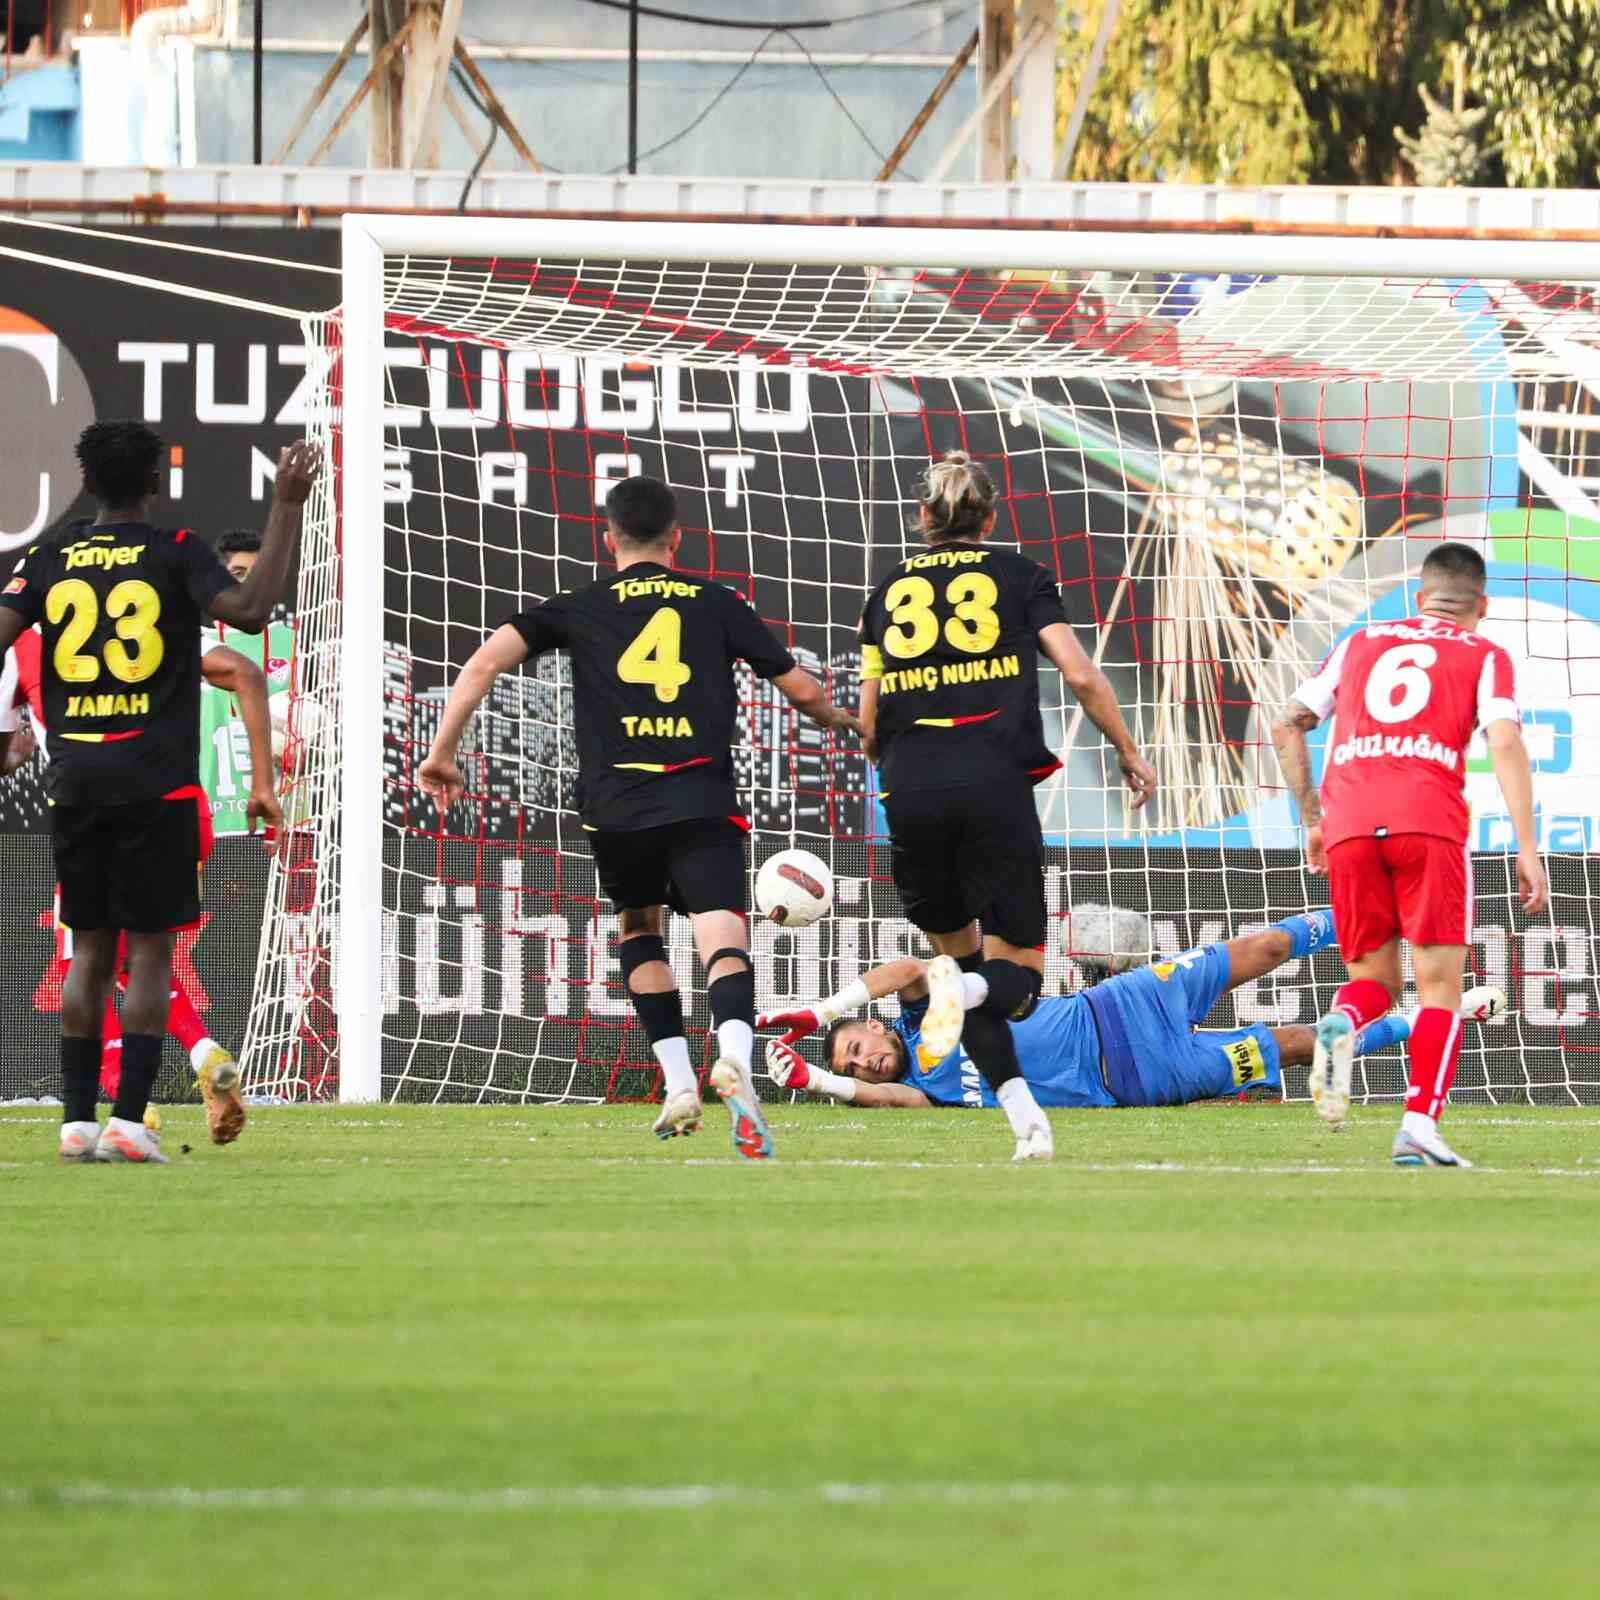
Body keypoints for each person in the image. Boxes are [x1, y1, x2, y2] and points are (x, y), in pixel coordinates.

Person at [417, 475, 859, 1160]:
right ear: (677, 538)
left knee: (639, 929)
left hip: (617, 808)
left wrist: (443, 753)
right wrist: (851, 722)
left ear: (608, 537)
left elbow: (481, 665)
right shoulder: (716, 602)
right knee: (723, 940)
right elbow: (799, 688)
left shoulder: (581, 605)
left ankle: (680, 1084)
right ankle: (734, 1059)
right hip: (700, 799)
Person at [0, 419, 320, 1163]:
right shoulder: (175, 553)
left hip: (75, 778)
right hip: (158, 781)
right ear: (155, 481)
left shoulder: (48, 555)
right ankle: (129, 1121)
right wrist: (286, 506)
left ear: (86, 481)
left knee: (87, 950)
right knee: (147, 952)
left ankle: (77, 1122)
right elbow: (250, 615)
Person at [856, 451, 1158, 1161]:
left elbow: (869, 724)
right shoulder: (1020, 576)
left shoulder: (886, 591)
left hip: (911, 788)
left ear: (923, 518)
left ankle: (1026, 1122)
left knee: (960, 968)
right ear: (990, 519)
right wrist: (1127, 750)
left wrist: (901, 773)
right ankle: (959, 1002)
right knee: (1013, 982)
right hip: (993, 784)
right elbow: (1081, 673)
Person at [1272, 542, 1548, 1168]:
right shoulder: (1484, 653)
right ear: (1481, 605)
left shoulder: (1361, 642)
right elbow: (1504, 741)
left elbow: (1287, 722)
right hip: (1428, 821)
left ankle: (1339, 1026)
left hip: (1348, 822)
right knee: (1439, 988)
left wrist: (1313, 818)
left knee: (1372, 981)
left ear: (1420, 599)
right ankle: (1418, 1127)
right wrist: (1528, 847)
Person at [760, 907, 1506, 1111]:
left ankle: (1387, 915)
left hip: (1124, 1001)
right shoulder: (919, 1089)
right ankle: (1438, 1016)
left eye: (852, 1045)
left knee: (1266, 949)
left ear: (865, 1026)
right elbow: (882, 1098)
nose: (861, 1059)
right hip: (1148, 1078)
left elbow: (908, 967)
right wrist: (819, 1084)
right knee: (1296, 1043)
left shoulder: (929, 1016)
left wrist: (824, 1010)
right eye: (853, 1066)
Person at [1, 618, 282, 1143]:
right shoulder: (155, 606)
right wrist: (262, 782)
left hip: (94, 808)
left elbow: (6, 753)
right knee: (141, 954)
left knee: (87, 960)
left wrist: (24, 744)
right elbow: (244, 670)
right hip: (179, 809)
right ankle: (203, 1053)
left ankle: (126, 1108)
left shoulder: (25, 638)